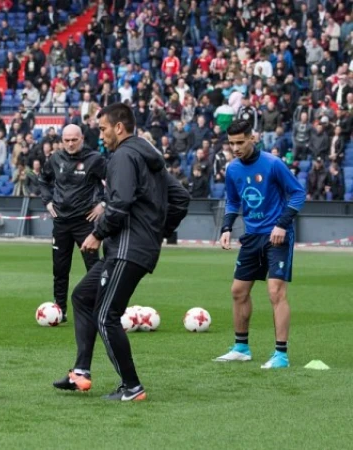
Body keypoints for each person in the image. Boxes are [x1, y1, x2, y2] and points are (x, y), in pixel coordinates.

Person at [52, 103, 190, 400]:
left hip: (126, 248)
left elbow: (120, 202)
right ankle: (81, 372)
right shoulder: (147, 156)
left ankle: (132, 387)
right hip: (135, 248)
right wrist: (158, 232)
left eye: (102, 129)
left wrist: (97, 234)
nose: (100, 136)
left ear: (119, 126)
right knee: (83, 296)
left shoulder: (123, 156)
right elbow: (181, 197)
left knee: (106, 316)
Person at [214, 119, 305, 369]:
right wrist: (226, 227)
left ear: (252, 138)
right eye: (232, 143)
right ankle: (241, 348)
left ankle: (281, 355)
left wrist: (282, 224)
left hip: (277, 236)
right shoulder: (232, 169)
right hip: (252, 237)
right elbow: (233, 201)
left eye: (240, 142)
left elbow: (298, 193)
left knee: (276, 291)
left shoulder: (273, 164)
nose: (236, 148)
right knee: (238, 291)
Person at [39, 124, 106, 321]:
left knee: (93, 267)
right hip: (61, 222)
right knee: (60, 268)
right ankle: (60, 310)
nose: (70, 144)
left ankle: (99, 308)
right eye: (66, 140)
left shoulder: (95, 159)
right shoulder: (55, 158)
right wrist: (48, 202)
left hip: (85, 222)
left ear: (82, 139)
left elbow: (114, 182)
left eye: (73, 140)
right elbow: (43, 180)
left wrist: (102, 204)